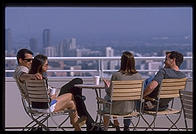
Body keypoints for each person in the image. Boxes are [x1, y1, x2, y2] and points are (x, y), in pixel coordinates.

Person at [13, 49, 82, 131]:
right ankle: (82, 119)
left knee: (72, 103)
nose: (31, 62)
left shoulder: (29, 71)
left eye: (32, 60)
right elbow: (22, 75)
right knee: (71, 95)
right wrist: (32, 76)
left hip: (35, 105)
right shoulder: (21, 69)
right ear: (20, 60)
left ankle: (77, 127)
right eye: (28, 60)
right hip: (44, 106)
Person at [102, 51, 143, 131]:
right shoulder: (138, 76)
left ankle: (106, 128)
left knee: (106, 99)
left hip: (114, 109)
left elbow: (110, 93)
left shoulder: (116, 75)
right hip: (130, 109)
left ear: (122, 62)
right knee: (127, 99)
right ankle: (126, 127)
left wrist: (107, 86)